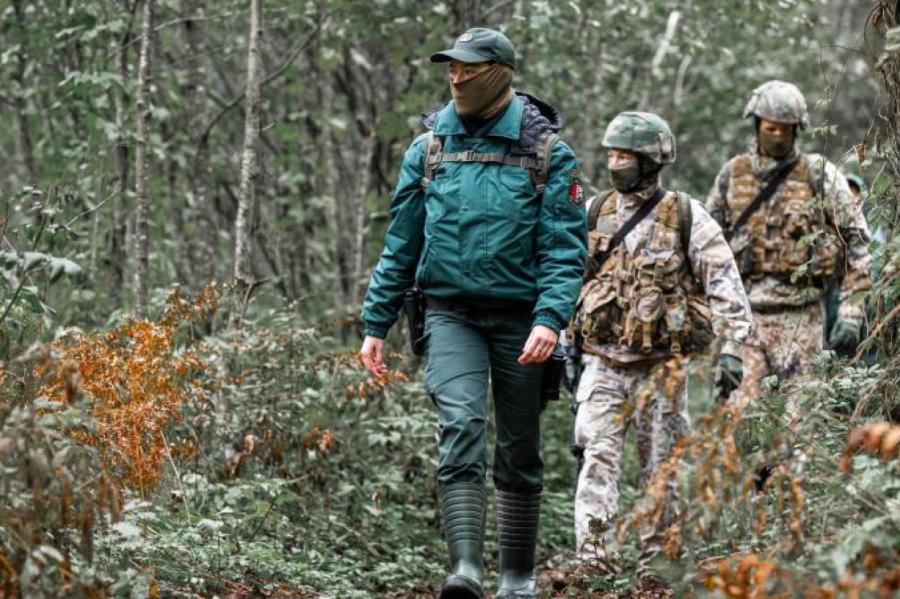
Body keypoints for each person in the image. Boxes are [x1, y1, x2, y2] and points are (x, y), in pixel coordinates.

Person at [359, 27, 587, 599]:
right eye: (451, 68)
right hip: (449, 312)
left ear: (499, 73)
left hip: (522, 321)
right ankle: (466, 571)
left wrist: (550, 318)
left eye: (468, 68)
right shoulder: (429, 148)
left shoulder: (547, 152)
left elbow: (564, 248)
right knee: (460, 426)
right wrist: (375, 323)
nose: (456, 77)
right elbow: (402, 241)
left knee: (519, 444)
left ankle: (517, 577)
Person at [569, 111, 751, 586]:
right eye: (611, 154)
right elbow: (567, 281)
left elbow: (725, 285)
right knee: (597, 462)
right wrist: (560, 347)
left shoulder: (686, 216)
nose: (616, 163)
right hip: (603, 365)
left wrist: (732, 349)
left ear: (651, 160)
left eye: (625, 155)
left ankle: (656, 570)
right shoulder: (593, 212)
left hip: (662, 370)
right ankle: (594, 566)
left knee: (662, 473)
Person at [705, 80, 872, 407]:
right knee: (743, 425)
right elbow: (709, 251)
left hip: (804, 318)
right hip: (747, 321)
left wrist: (852, 312)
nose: (778, 135)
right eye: (771, 128)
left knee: (802, 427)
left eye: (786, 129)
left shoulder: (819, 174)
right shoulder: (732, 175)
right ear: (757, 126)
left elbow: (857, 241)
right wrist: (722, 334)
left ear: (798, 129)